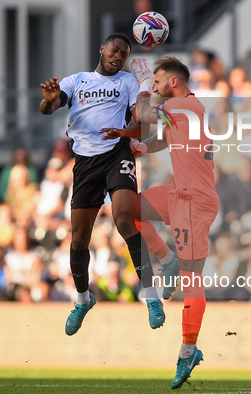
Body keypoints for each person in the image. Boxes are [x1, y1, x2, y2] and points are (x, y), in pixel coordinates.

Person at [99, 56, 220, 389]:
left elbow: (147, 114)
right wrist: (135, 143)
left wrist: (140, 83)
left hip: (194, 201)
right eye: (151, 83)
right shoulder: (184, 111)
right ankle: (164, 258)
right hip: (177, 193)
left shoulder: (186, 107)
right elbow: (165, 139)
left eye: (158, 82)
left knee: (192, 277)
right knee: (126, 210)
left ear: (175, 83)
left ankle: (188, 350)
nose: (154, 87)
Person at [39, 33, 163, 335]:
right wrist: (49, 99)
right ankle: (82, 299)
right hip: (84, 163)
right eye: (114, 49)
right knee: (79, 238)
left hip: (116, 153)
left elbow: (144, 122)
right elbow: (48, 108)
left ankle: (150, 294)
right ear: (102, 49)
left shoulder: (129, 82)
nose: (118, 56)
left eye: (124, 53)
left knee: (124, 219)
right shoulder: (76, 81)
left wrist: (145, 105)